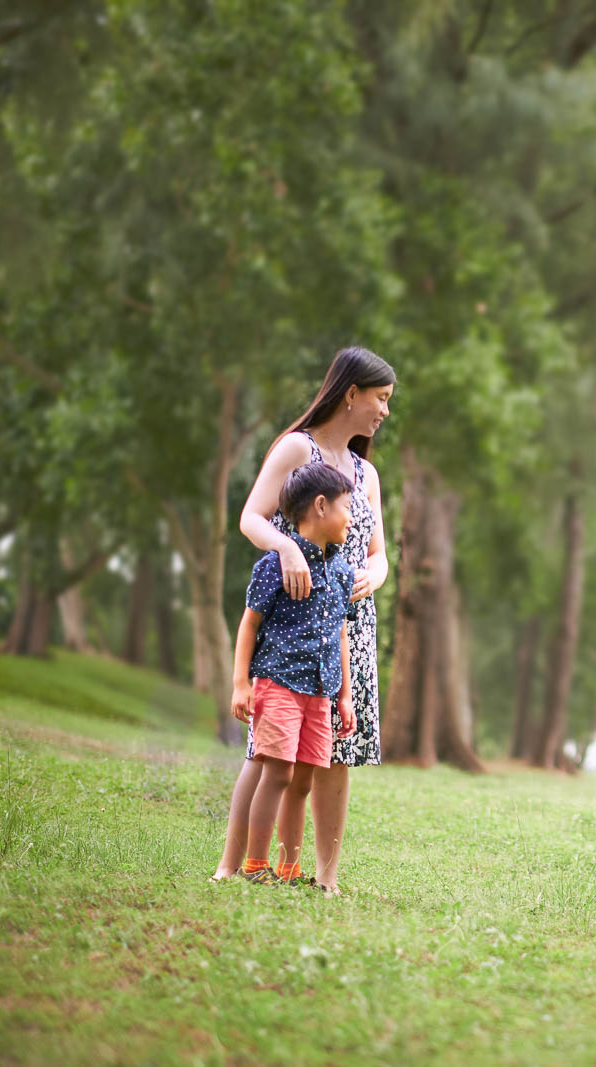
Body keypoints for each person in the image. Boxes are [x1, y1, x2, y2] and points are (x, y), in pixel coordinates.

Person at [211, 347, 395, 893]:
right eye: (381, 399)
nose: (385, 412)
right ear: (351, 393)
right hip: (292, 622)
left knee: (336, 752)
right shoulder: (298, 448)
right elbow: (251, 517)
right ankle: (238, 862)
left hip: (349, 627)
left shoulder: (367, 475)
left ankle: (325, 876)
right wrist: (288, 552)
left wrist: (375, 576)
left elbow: (379, 552)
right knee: (270, 754)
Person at [225, 463, 358, 885]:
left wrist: (344, 695)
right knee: (277, 773)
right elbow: (249, 624)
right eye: (346, 507)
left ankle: (288, 868)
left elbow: (340, 634)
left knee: (302, 781)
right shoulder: (273, 565)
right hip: (278, 683)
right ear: (320, 506)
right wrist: (241, 683)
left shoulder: (341, 571)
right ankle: (254, 865)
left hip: (320, 692)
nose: (352, 516)